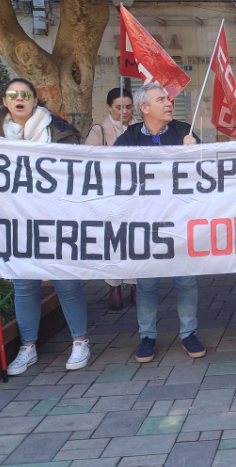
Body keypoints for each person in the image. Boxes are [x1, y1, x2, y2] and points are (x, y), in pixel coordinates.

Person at [0, 79, 90, 375]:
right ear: (5, 102)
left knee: (65, 281)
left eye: (25, 95)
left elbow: (77, 175)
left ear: (35, 100)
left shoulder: (59, 132)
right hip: (16, 222)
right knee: (24, 284)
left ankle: (80, 341)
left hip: (56, 219)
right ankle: (27, 346)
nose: (19, 99)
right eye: (12, 95)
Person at [114, 83, 205, 362]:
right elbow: (110, 171)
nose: (169, 103)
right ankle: (147, 337)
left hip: (180, 221)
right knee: (147, 283)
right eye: (161, 99)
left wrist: (196, 150)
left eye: (169, 99)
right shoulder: (128, 138)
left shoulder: (184, 132)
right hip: (145, 223)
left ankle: (188, 333)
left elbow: (208, 172)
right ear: (145, 108)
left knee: (186, 281)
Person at [85, 87, 137, 309]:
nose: (124, 111)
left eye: (128, 107)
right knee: (111, 240)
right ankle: (114, 284)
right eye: (119, 107)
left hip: (136, 193)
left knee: (136, 238)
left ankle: (135, 282)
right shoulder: (100, 130)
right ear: (108, 107)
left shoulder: (141, 128)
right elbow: (87, 160)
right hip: (108, 194)